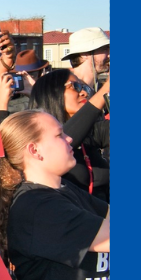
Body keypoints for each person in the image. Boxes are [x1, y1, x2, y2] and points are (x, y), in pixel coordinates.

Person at [0, 110, 109, 280]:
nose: (70, 138)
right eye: (59, 135)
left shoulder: (62, 189)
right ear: (34, 150)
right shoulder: (35, 206)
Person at [31, 70, 109, 200]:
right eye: (75, 86)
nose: (83, 93)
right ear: (52, 94)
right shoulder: (42, 139)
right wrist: (105, 89)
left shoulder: (92, 131)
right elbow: (65, 138)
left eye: (83, 87)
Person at [63, 27, 110, 91]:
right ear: (84, 54)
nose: (109, 55)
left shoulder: (97, 89)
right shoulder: (68, 89)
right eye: (104, 49)